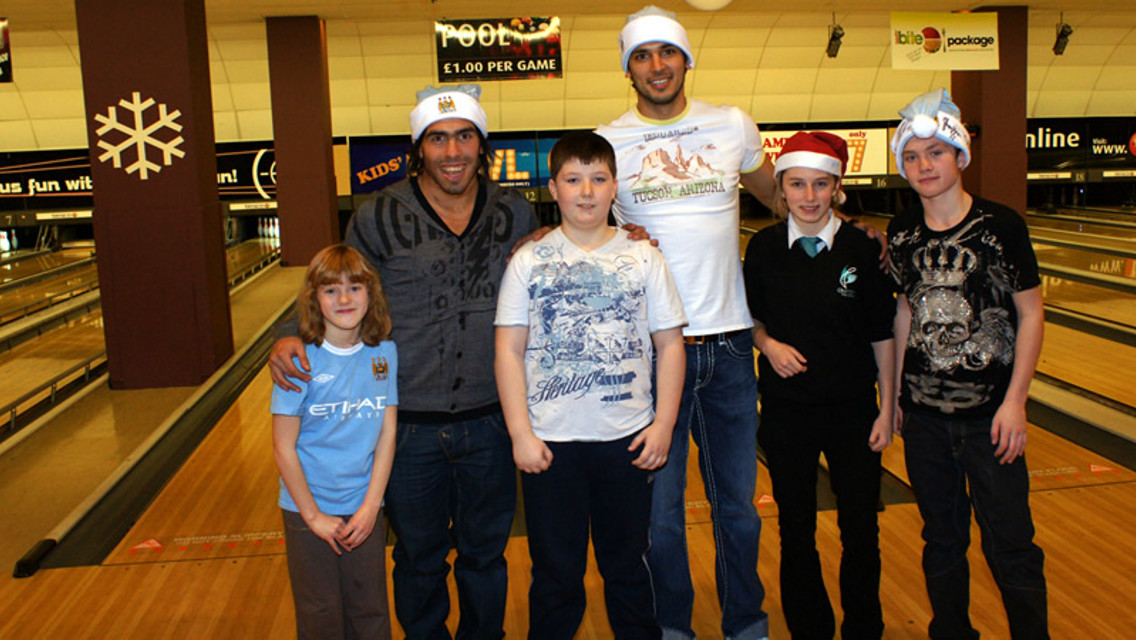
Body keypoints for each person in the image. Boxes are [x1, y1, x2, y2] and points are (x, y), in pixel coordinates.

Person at [269, 84, 539, 640]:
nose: (452, 151)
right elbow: (339, 287)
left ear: (481, 143)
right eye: (437, 140)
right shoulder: (379, 214)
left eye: (464, 136)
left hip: (491, 419)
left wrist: (622, 235)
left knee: (486, 557)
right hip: (409, 426)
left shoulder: (515, 211)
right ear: (418, 148)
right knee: (418, 559)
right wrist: (285, 334)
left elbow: (555, 260)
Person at [595, 6, 778, 639]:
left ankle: (745, 625)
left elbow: (781, 198)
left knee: (741, 513)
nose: (656, 66)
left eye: (666, 53)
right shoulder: (608, 141)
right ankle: (673, 628)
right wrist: (618, 233)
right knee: (661, 518)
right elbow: (587, 225)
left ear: (686, 60)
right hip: (652, 352)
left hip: (728, 347)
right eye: (642, 57)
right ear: (629, 69)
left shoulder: (730, 125)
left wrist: (849, 224)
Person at [495, 131, 688, 640]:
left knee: (626, 568)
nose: (586, 191)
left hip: (626, 440)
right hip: (551, 445)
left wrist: (664, 423)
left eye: (598, 179)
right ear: (552, 188)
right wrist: (520, 433)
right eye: (573, 179)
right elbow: (508, 351)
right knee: (556, 575)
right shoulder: (528, 261)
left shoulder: (645, 257)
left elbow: (670, 345)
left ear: (614, 187)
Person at [887, 89, 1049, 640]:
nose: (923, 165)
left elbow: (1030, 314)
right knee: (942, 538)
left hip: (990, 420)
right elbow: (906, 310)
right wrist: (897, 401)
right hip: (926, 421)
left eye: (934, 152)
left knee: (1011, 543)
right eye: (911, 156)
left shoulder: (1001, 226)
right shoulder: (903, 232)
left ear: (960, 156)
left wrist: (1015, 403)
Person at [743, 132, 896, 639]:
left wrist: (888, 406)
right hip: (788, 412)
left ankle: (863, 629)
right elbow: (751, 319)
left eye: (820, 185)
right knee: (796, 532)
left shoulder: (862, 247)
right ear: (781, 189)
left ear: (837, 188)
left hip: (853, 409)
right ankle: (810, 629)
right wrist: (768, 345)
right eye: (798, 184)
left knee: (861, 531)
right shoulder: (763, 249)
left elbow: (882, 331)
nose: (809, 196)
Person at [270, 243, 398, 640]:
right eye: (330, 290)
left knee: (371, 611)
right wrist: (313, 517)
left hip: (363, 509)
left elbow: (387, 433)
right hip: (308, 510)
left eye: (355, 287)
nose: (344, 298)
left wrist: (371, 506)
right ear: (314, 299)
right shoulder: (300, 361)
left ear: (370, 293)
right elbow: (283, 447)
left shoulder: (385, 354)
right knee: (320, 613)